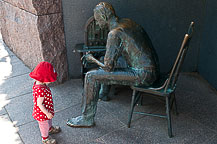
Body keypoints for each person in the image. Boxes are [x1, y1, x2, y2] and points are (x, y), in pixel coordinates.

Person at [67, 2, 160, 127]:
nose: (98, 25)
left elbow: (108, 67)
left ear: (104, 17)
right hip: (153, 70)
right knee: (105, 59)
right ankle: (103, 94)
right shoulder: (127, 22)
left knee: (90, 76)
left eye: (98, 20)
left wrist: (91, 59)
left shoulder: (114, 33)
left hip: (142, 74)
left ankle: (86, 118)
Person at [29, 61, 61, 144]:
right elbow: (40, 104)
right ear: (43, 79)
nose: (51, 82)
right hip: (42, 112)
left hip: (46, 109)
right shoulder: (40, 89)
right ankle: (45, 139)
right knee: (44, 125)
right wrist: (46, 113)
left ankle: (50, 129)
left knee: (49, 121)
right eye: (49, 80)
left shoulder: (39, 83)